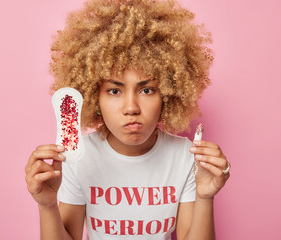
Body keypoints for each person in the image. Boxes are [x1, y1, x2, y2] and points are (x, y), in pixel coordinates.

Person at [25, 0, 231, 239]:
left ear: (167, 93)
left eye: (147, 90)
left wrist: (206, 197)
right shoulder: (77, 157)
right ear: (94, 97)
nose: (131, 108)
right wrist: (47, 205)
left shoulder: (185, 157)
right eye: (114, 91)